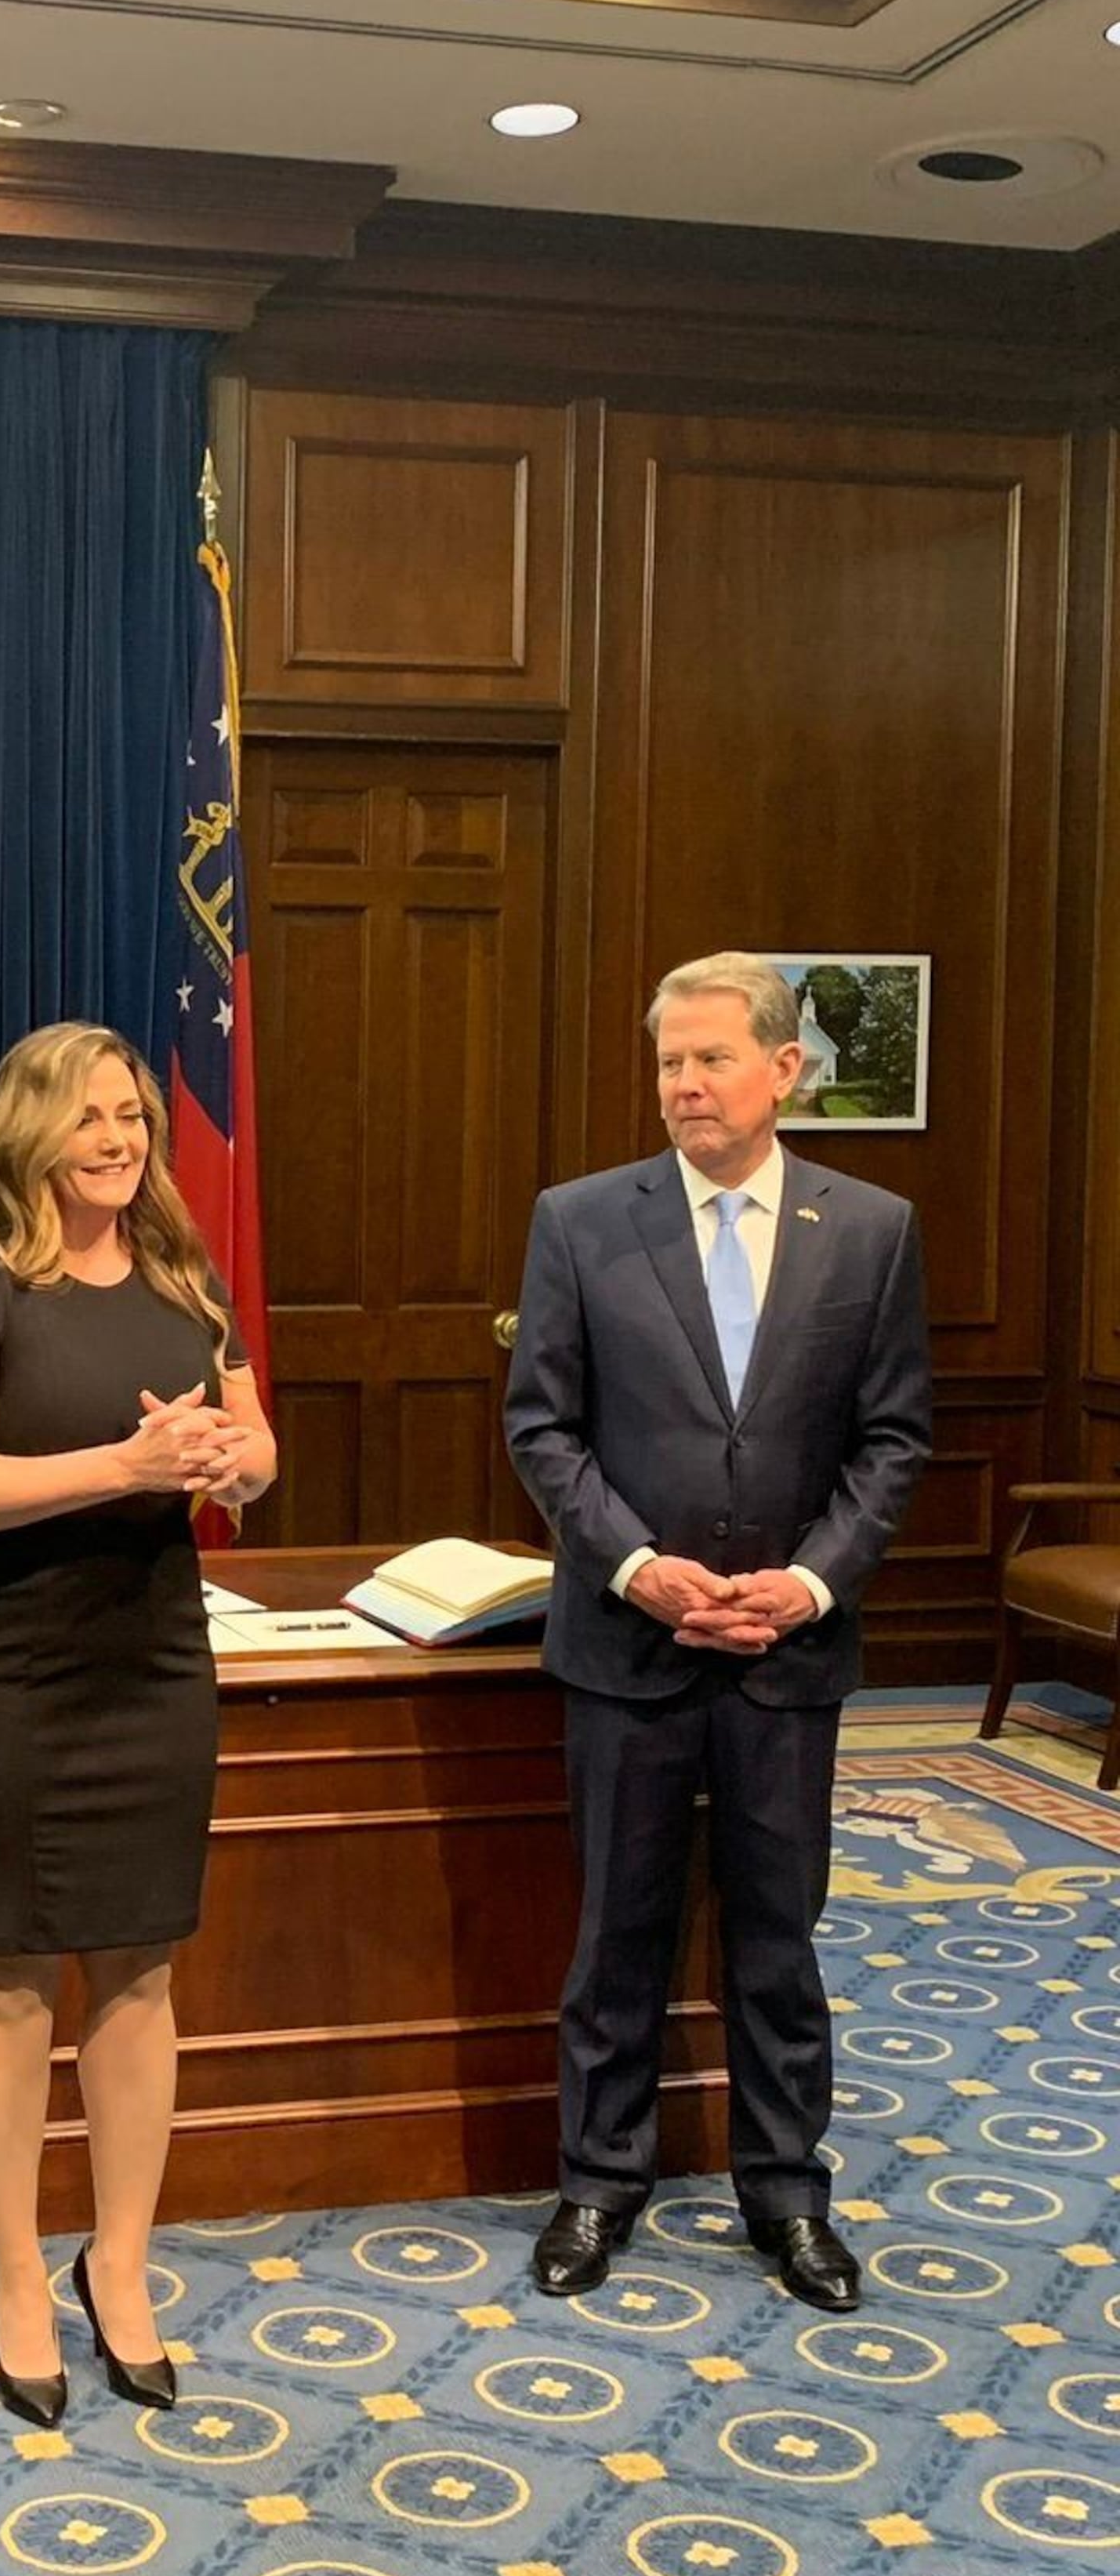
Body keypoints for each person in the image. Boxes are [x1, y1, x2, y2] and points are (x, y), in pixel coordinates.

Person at [505, 950, 930, 2313]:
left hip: (788, 1654)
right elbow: (543, 1426)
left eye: (711, 1060)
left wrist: (808, 1584)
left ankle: (788, 2194)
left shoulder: (870, 1229)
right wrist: (633, 1566)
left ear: (782, 1070)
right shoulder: (581, 1221)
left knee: (777, 1935)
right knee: (616, 1931)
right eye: (669, 1063)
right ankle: (598, 2182)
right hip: (629, 1647)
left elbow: (893, 1437)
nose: (685, 1085)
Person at [0, 1022, 274, 2424]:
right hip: (12, 1672)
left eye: (131, 1116)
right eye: (89, 1118)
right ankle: (13, 2277)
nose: (119, 1139)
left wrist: (230, 1454)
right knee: (10, 1977)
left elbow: (258, 1449)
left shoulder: (178, 1267)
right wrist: (125, 1461)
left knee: (139, 1973)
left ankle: (121, 2264)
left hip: (154, 1660)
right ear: (27, 1132)